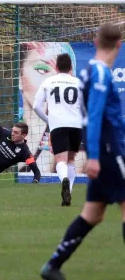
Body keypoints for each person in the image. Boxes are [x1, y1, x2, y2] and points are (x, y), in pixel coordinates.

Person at [40, 23, 125, 280]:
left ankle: (53, 265)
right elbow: (95, 115)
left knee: (92, 214)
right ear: (119, 45)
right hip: (110, 152)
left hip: (102, 150)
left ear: (96, 42)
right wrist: (96, 156)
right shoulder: (99, 74)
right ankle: (52, 266)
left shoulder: (88, 73)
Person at [19, 41, 85, 176]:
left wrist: (47, 121)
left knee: (66, 161)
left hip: (61, 132)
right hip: (70, 128)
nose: (52, 80)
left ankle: (66, 183)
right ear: (20, 77)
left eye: (56, 72)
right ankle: (67, 185)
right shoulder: (13, 130)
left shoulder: (81, 152)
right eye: (42, 70)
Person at [32, 53, 83, 206]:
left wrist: (48, 119)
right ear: (71, 67)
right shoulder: (79, 82)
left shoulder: (49, 82)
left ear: (56, 67)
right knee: (71, 160)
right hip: (76, 125)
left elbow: (36, 106)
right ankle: (69, 192)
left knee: (60, 160)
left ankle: (64, 180)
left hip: (58, 125)